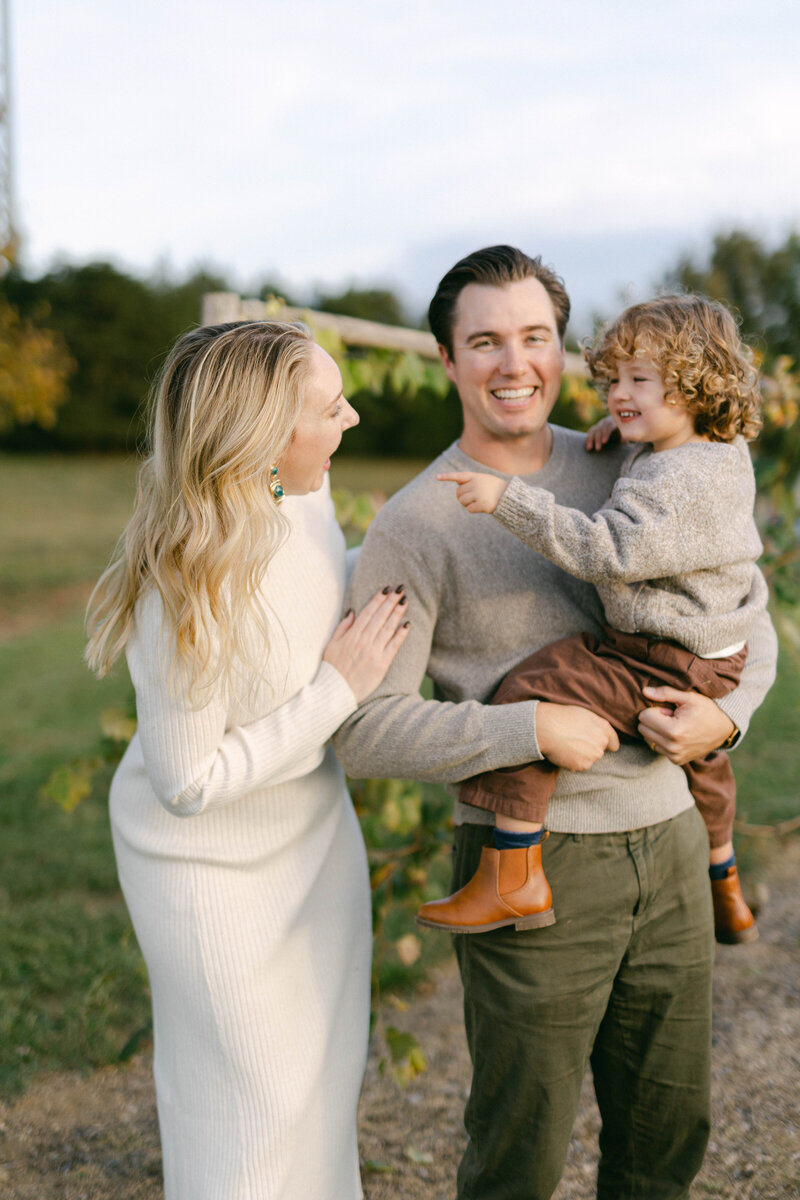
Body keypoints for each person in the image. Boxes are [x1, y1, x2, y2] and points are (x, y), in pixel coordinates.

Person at [334, 247, 777, 1200]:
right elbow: (364, 729)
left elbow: (750, 611)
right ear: (446, 360)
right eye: (484, 341)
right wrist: (524, 733)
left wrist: (725, 717)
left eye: (534, 337)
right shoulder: (418, 522)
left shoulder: (641, 457)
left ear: (561, 349)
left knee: (667, 1137)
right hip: (531, 864)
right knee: (519, 1154)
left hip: (666, 848)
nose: (514, 363)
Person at [85, 320, 410, 1200]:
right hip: (206, 872)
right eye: (328, 406)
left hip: (313, 838)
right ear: (262, 436)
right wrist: (337, 690)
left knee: (319, 1084)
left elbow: (307, 595)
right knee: (251, 1107)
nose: (348, 419)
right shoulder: (186, 581)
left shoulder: (302, 497)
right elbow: (186, 780)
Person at [420, 293, 764, 945]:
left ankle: (513, 871)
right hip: (713, 648)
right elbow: (661, 482)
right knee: (709, 763)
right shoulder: (706, 451)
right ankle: (726, 878)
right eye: (613, 381)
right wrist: (626, 437)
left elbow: (608, 550)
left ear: (695, 385)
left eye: (639, 381)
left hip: (661, 653)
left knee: (533, 691)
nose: (617, 394)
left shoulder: (677, 480)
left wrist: (510, 501)